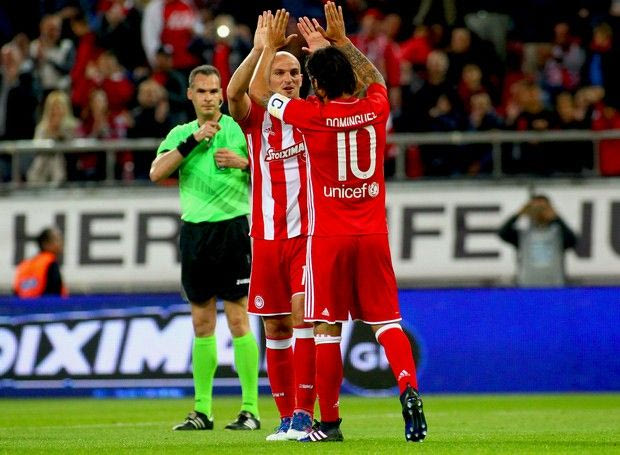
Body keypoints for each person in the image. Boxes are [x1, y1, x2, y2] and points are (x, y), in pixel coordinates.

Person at [249, 4, 427, 443]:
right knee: (387, 323)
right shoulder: (376, 108)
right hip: (373, 234)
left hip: (327, 238)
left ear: (318, 85)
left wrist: (267, 47)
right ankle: (407, 386)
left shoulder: (312, 116)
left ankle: (328, 424)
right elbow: (376, 79)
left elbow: (257, 93)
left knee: (327, 330)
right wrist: (342, 43)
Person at [226, 11, 328, 441]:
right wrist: (259, 50)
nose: (288, 79)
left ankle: (306, 414)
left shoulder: (315, 112)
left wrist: (327, 49)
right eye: (280, 73)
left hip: (308, 234)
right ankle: (286, 417)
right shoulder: (255, 119)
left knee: (304, 319)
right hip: (266, 236)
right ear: (267, 79)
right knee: (275, 327)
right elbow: (234, 94)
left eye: (294, 73)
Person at [150, 64, 260, 431]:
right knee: (202, 322)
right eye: (202, 91)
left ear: (222, 96)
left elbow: (271, 168)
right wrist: (194, 140)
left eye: (214, 91)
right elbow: (156, 172)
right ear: (190, 95)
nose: (209, 98)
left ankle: (250, 410)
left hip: (233, 230)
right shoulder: (182, 134)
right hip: (196, 233)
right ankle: (202, 411)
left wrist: (244, 163)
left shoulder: (238, 128)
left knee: (239, 319)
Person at [498, 194, 577, 287]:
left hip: (554, 287)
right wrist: (519, 213)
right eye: (536, 208)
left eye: (543, 208)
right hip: (527, 287)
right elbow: (503, 233)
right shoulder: (523, 235)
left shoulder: (558, 234)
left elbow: (573, 240)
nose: (540, 211)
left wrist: (556, 218)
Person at [14, 227, 67, 298]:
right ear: (45, 244)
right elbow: (54, 291)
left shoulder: (24, 264)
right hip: (44, 303)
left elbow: (16, 290)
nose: (61, 243)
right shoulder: (50, 262)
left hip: (23, 303)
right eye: (57, 240)